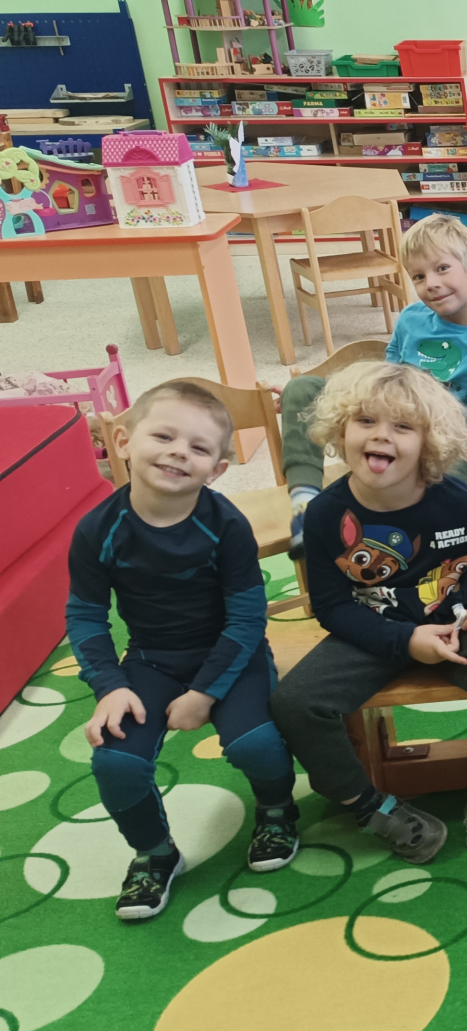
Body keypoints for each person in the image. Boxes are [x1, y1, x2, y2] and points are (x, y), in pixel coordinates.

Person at [271, 363, 467, 862]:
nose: (381, 436)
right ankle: (368, 806)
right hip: (371, 631)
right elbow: (330, 606)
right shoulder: (326, 514)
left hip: (459, 622)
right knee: (294, 702)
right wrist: (404, 642)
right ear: (340, 431)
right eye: (365, 421)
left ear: (428, 443)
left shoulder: (456, 499)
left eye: (402, 426)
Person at [68, 382, 299, 921]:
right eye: (163, 436)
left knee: (257, 742)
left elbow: (247, 619)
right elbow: (85, 616)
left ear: (216, 470)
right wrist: (109, 686)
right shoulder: (97, 529)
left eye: (197, 448)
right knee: (116, 761)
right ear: (123, 441)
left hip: (232, 656)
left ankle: (277, 811)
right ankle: (154, 853)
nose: (177, 453)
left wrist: (205, 693)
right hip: (150, 661)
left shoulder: (226, 525)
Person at [283, 213, 467, 558]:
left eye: (442, 268)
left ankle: (430, 551)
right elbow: (384, 376)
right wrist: (331, 396)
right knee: (302, 389)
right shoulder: (411, 318)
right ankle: (306, 509)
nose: (431, 283)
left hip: (447, 446)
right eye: (418, 276)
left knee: (453, 496)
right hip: (388, 429)